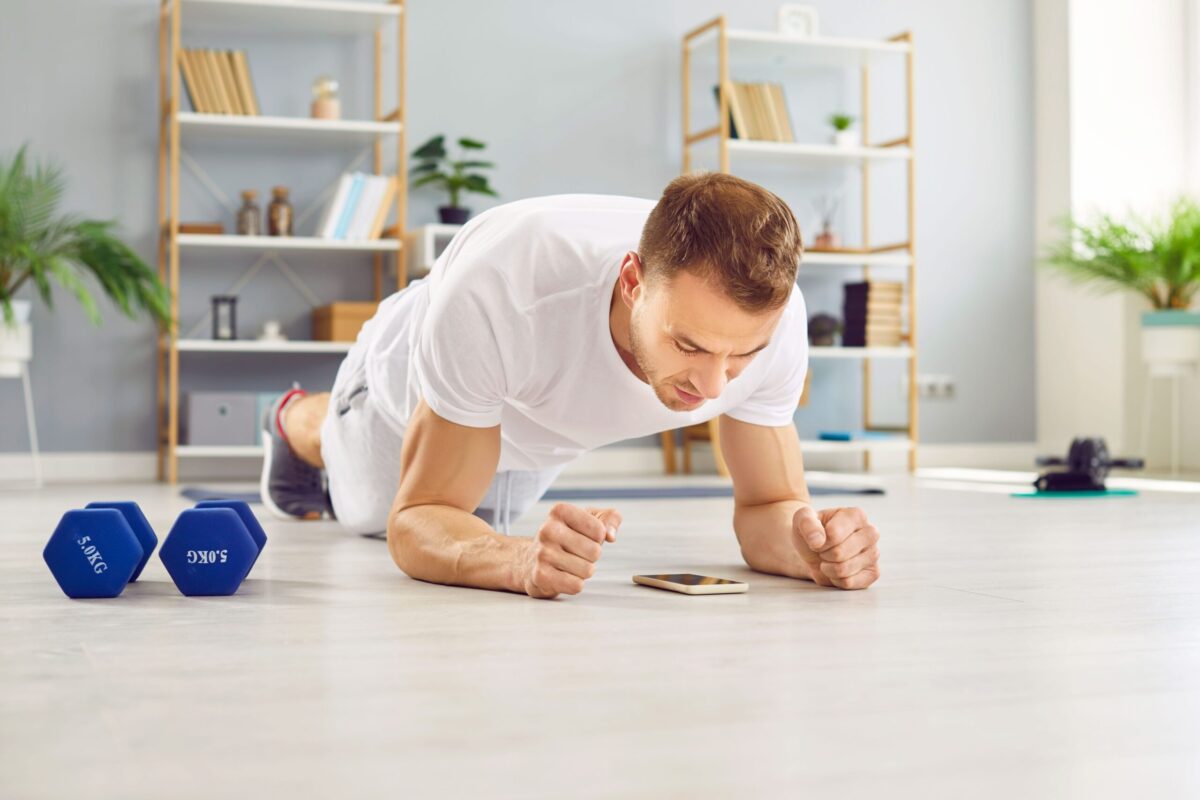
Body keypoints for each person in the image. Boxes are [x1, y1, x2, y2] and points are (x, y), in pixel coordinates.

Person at [261, 172, 882, 598]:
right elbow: (420, 517)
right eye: (688, 345)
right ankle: (297, 421)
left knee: (488, 517)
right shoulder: (502, 289)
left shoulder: (780, 322)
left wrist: (816, 551)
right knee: (365, 511)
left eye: (742, 353)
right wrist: (514, 559)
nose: (714, 385)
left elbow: (766, 507)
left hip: (537, 424)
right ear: (633, 282)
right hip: (402, 391)